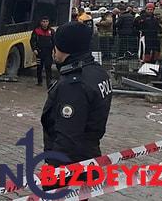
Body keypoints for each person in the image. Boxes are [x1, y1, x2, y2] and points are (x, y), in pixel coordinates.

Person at [41, 21, 112, 192]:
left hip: (71, 166)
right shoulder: (97, 72)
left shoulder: (74, 84)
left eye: (55, 45)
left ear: (64, 47)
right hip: (89, 156)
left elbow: (68, 135)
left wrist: (53, 173)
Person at [30, 16, 55, 87]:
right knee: (39, 67)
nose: (45, 23)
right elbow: (32, 41)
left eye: (46, 21)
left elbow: (55, 42)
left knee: (48, 67)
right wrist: (34, 49)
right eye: (43, 22)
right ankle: (39, 81)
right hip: (39, 52)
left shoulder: (52, 31)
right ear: (41, 22)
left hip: (48, 52)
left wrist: (54, 51)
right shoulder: (36, 31)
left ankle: (49, 83)